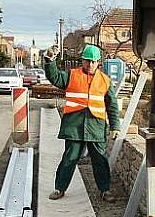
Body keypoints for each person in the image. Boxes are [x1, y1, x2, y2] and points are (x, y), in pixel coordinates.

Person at [44, 44, 120, 202]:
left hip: (96, 127)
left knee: (100, 159)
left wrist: (115, 126)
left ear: (99, 62)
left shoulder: (105, 81)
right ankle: (60, 188)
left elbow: (112, 105)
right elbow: (55, 77)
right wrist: (50, 61)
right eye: (87, 61)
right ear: (82, 60)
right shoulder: (72, 75)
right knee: (69, 158)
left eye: (93, 61)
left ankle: (105, 190)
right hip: (74, 126)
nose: (90, 64)